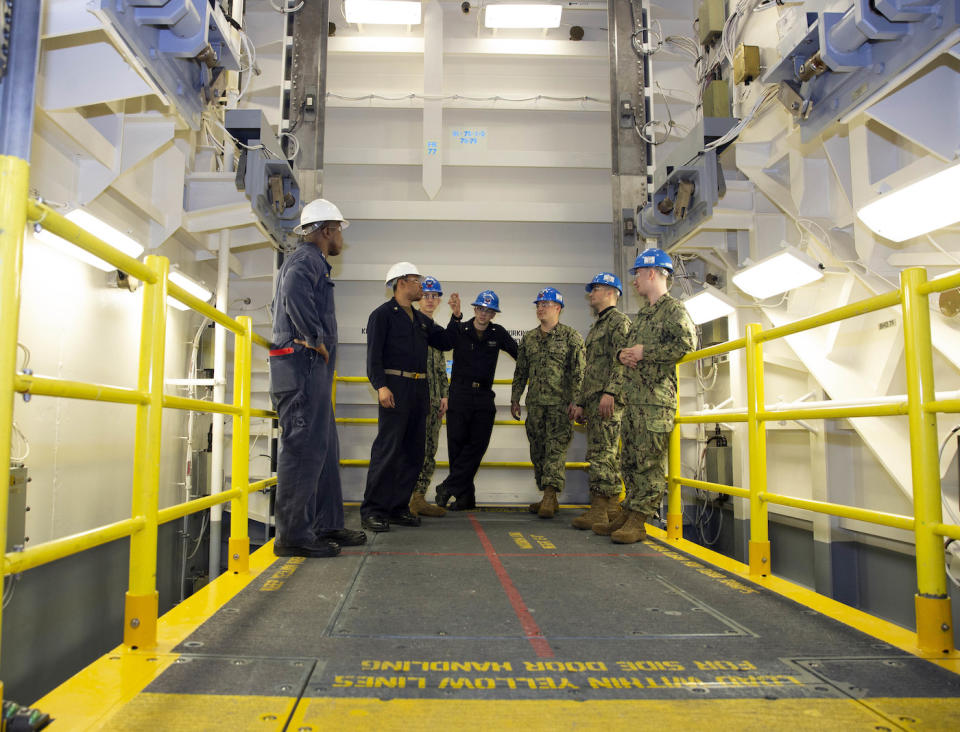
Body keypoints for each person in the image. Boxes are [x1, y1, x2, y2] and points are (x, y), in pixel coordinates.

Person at [269, 198, 367, 558]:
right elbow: (294, 289)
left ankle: (325, 524)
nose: (340, 236)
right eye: (338, 229)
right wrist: (315, 338)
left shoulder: (315, 262)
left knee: (324, 450)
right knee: (302, 451)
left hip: (311, 372)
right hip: (301, 369)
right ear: (326, 230)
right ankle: (293, 535)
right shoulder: (305, 260)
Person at [593, 249, 696, 544]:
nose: (635, 280)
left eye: (638, 274)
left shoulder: (674, 310)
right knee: (631, 459)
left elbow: (687, 342)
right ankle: (628, 511)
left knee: (649, 461)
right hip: (634, 400)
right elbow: (625, 348)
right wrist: (623, 354)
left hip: (655, 402)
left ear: (652, 273)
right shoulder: (642, 316)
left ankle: (640, 519)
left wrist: (645, 353)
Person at [362, 262, 453, 532]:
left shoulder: (420, 320)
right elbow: (373, 356)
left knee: (413, 452)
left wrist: (457, 318)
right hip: (395, 388)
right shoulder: (382, 315)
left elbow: (446, 342)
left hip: (418, 391)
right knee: (388, 451)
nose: (421, 287)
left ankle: (398, 507)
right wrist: (380, 386)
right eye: (416, 281)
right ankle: (373, 511)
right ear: (401, 282)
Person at [434, 290, 518, 511]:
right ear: (474, 309)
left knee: (477, 446)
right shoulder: (461, 329)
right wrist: (455, 315)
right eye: (481, 309)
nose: (483, 313)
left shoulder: (498, 333)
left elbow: (521, 355)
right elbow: (445, 342)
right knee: (457, 448)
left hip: (483, 397)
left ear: (493, 314)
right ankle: (465, 498)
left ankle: (448, 486)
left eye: (489, 310)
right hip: (459, 395)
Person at [510, 287, 585, 519]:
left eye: (546, 304)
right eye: (538, 304)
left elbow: (580, 372)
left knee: (555, 450)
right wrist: (515, 397)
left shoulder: (571, 337)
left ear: (558, 308)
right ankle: (546, 495)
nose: (540, 308)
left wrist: (578, 401)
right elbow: (521, 371)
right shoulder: (529, 338)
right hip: (535, 406)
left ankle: (551, 495)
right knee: (538, 451)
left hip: (560, 406)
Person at [570, 273, 631, 530]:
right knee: (599, 453)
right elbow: (590, 368)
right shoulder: (598, 326)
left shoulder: (619, 322)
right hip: (594, 398)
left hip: (607, 399)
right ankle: (610, 510)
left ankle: (601, 509)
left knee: (603, 454)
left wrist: (612, 393)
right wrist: (582, 401)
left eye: (595, 289)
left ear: (610, 291)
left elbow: (623, 360)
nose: (591, 294)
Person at [409, 276, 450, 518]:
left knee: (429, 449)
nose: (430, 299)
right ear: (418, 297)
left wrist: (444, 394)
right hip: (416, 400)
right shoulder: (411, 325)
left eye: (435, 296)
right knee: (411, 449)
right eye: (426, 295)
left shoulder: (435, 330)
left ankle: (419, 498)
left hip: (435, 402)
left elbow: (440, 366)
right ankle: (406, 496)